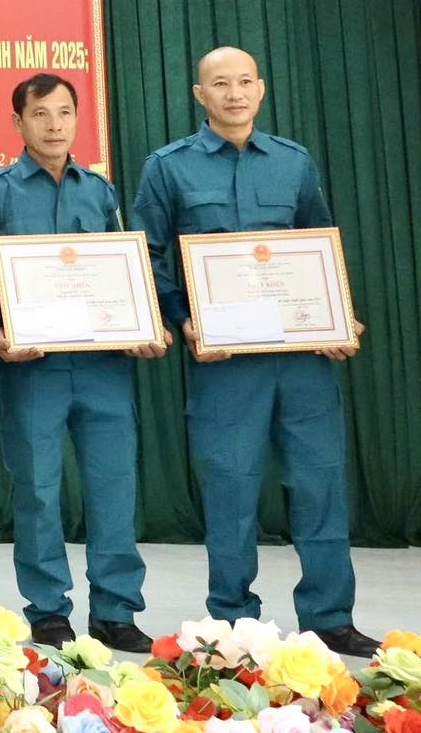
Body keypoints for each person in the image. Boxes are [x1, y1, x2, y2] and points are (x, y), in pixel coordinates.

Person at [130, 46, 376, 657]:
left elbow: (320, 247)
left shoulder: (294, 162)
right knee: (230, 490)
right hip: (225, 363)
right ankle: (233, 624)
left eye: (244, 82)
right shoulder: (168, 167)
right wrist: (185, 320)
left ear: (261, 89)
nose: (234, 93)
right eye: (220, 84)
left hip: (302, 360)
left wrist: (337, 315)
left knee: (320, 484)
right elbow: (147, 255)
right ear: (200, 95)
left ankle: (330, 617)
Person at [0, 73, 165, 651]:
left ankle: (115, 610)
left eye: (65, 113)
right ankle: (48, 609)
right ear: (18, 123)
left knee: (114, 489)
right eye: (41, 114)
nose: (54, 125)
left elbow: (123, 272)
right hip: (34, 370)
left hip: (104, 368)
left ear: (79, 119)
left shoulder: (100, 191)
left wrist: (143, 325)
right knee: (38, 491)